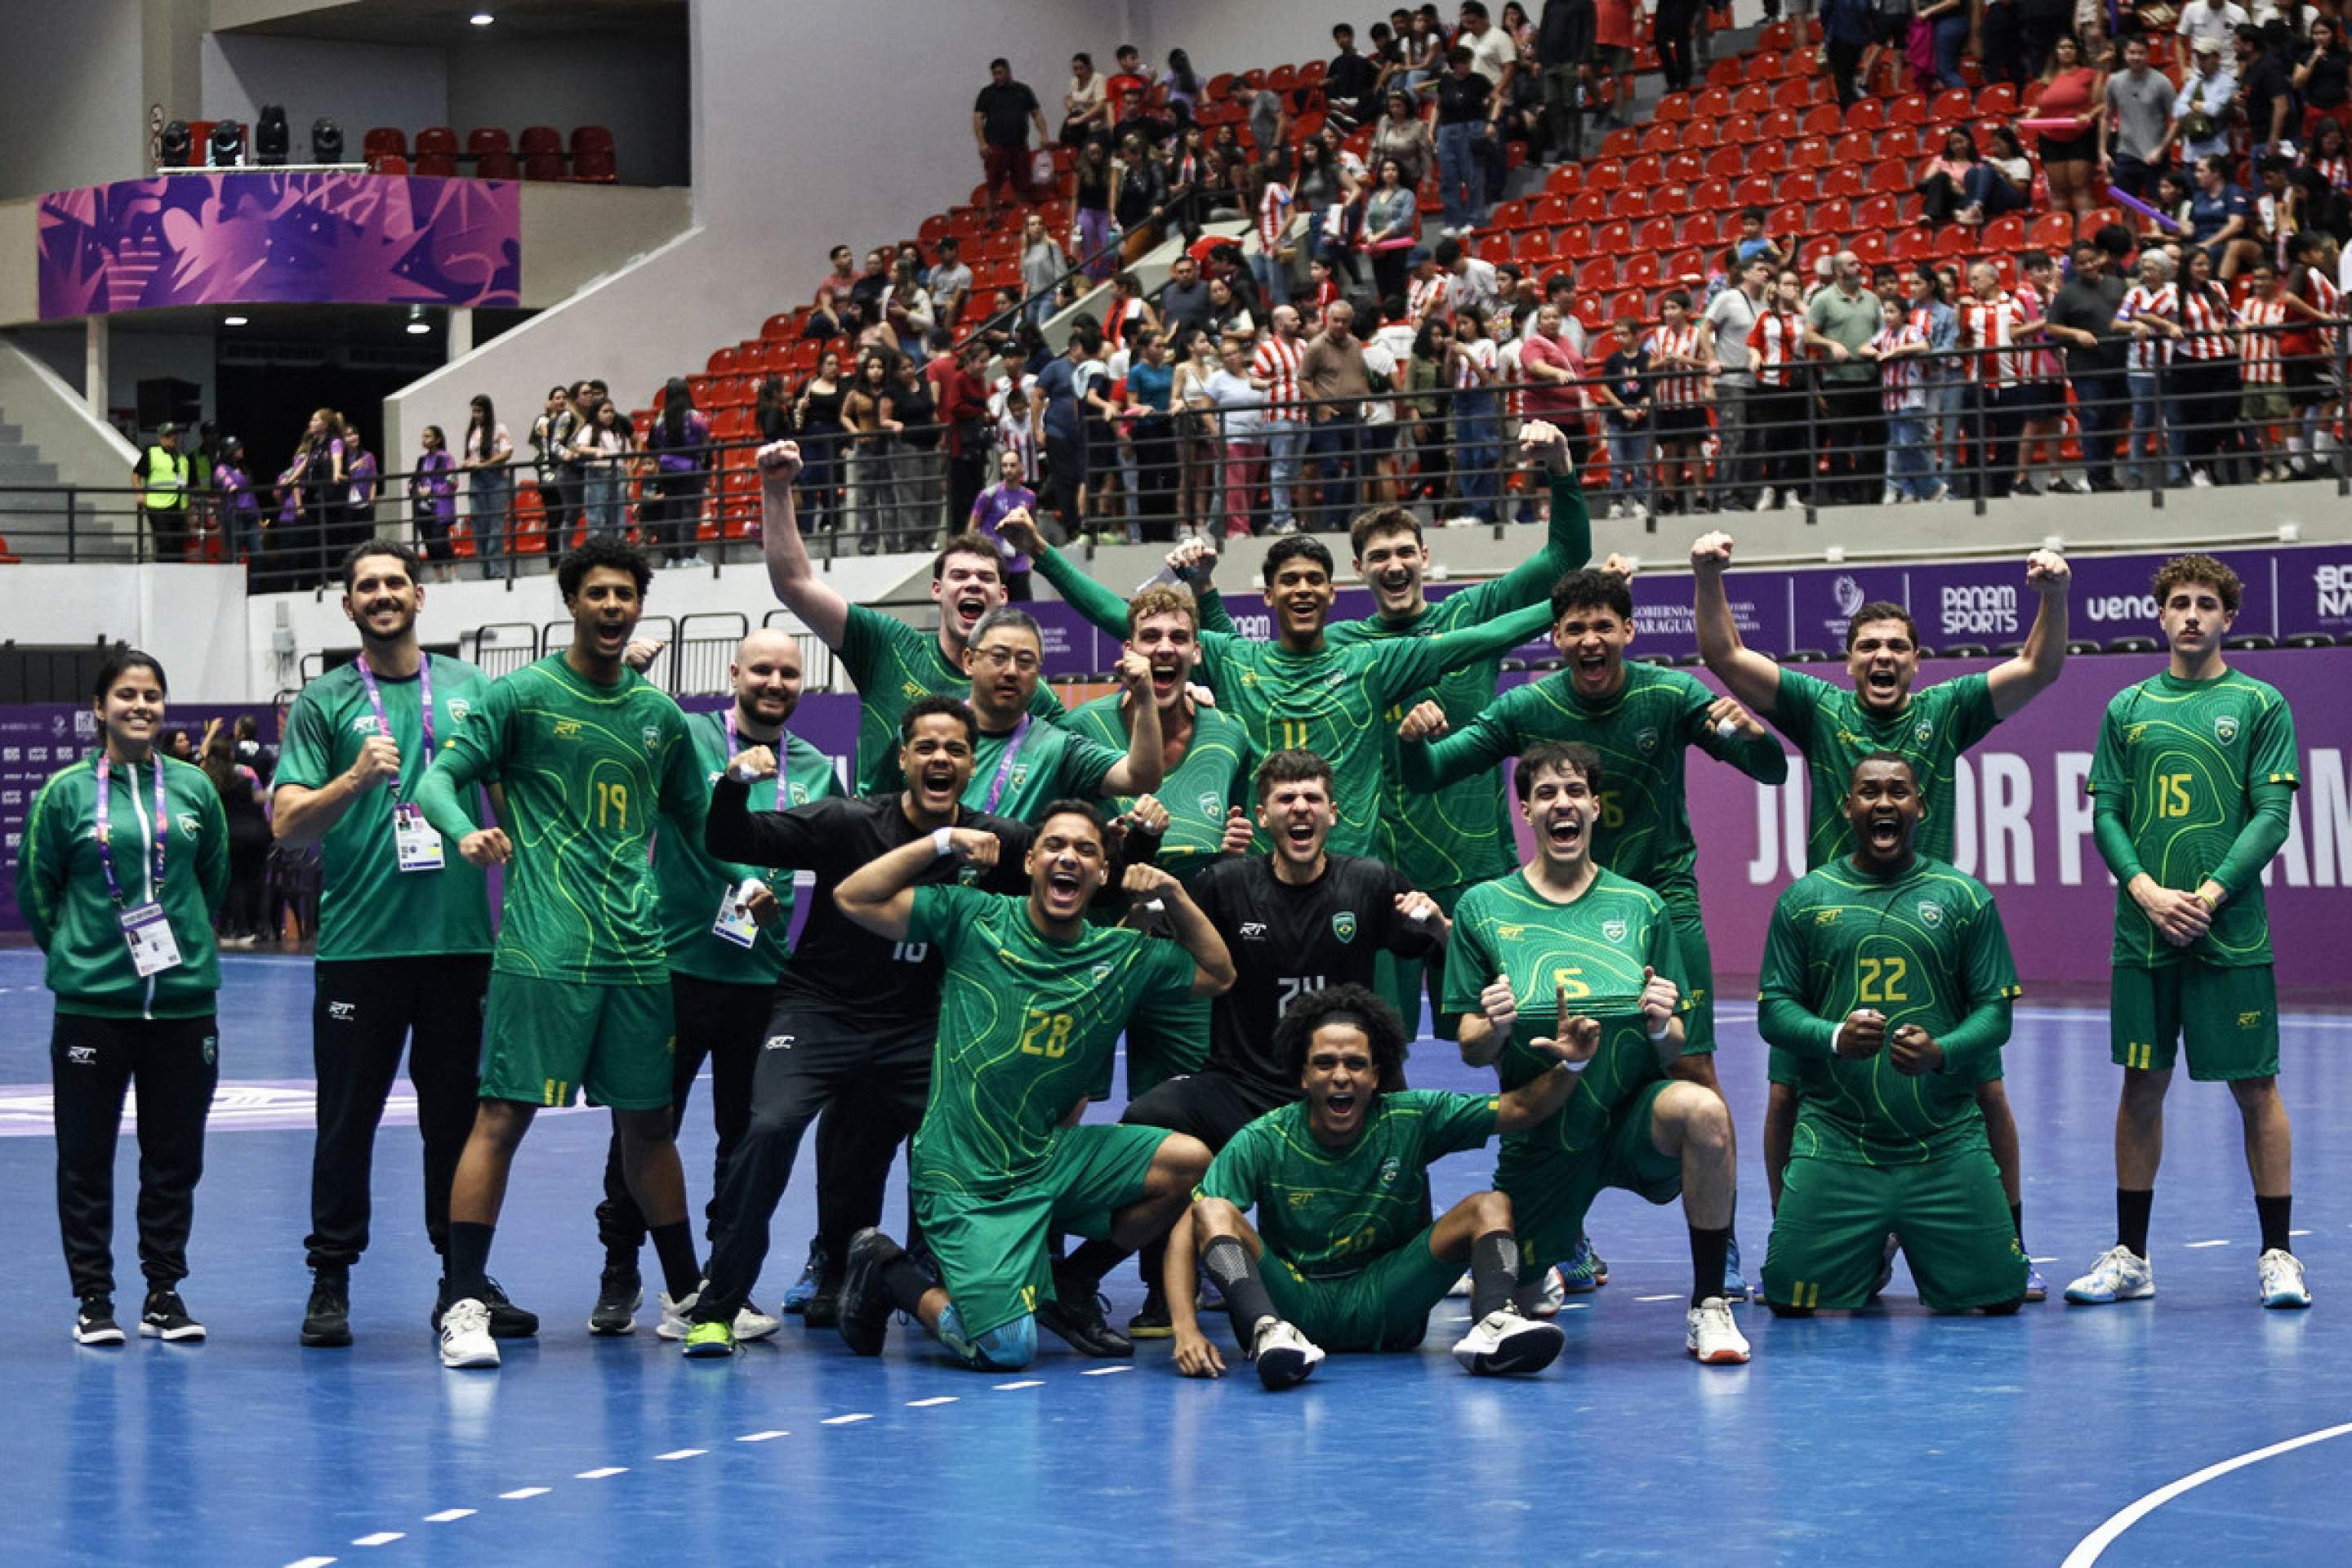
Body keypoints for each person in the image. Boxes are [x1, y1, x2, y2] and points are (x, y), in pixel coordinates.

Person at [1692, 533, 2074, 1299]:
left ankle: (2011, 1239)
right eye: (1868, 646)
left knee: (1983, 1093)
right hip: (1831, 947)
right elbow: (1726, 656)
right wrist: (1706, 575)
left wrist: (2053, 596)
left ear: (1917, 661)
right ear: (1848, 662)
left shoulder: (1949, 709)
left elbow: (2039, 666)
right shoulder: (1817, 708)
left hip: (1936, 946)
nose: (1883, 658)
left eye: (1897, 646)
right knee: (1787, 1095)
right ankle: (1795, 1234)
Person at [1400, 564, 1783, 1293]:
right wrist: (1415, 740)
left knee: (1690, 1066)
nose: (1589, 639)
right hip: (1549, 910)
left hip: (1657, 901)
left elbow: (1769, 771)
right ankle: (1567, 1231)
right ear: (1556, 638)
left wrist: (1752, 734)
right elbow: (1430, 773)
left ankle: (1720, 1243)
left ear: (1629, 632)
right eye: (1574, 627)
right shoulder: (1529, 707)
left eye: (1603, 625)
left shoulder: (1670, 694)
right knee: (1546, 1055)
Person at [1003, 424, 1579, 875]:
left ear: (1333, 591)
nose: (1302, 590)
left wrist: (1581, 605)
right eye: (1290, 581)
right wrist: (1042, 553)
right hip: (1260, 878)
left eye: (1313, 581)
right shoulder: (1245, 657)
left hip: (1374, 870)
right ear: (1270, 594)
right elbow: (1127, 618)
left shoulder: (1369, 659)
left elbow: (1484, 637)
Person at [411, 539, 712, 1370]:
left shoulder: (661, 719)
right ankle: (463, 1303)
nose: (613, 606)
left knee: (649, 1128)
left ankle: (688, 1298)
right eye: (598, 593)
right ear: (573, 602)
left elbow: (702, 829)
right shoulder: (522, 696)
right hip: (543, 949)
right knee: (501, 1118)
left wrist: (755, 874)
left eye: (626, 594)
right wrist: (465, 828)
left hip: (637, 955)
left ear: (640, 608)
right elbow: (438, 779)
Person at [826, 802, 1234, 1371]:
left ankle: (1071, 1282)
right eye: (1055, 846)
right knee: (1007, 1348)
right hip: (963, 1178)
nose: (1068, 857)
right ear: (1030, 862)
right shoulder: (974, 917)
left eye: (1087, 850)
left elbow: (1219, 974)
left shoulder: (1119, 956)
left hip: (1043, 1160)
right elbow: (854, 896)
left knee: (1188, 1160)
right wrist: (942, 841)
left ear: (1102, 875)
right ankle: (890, 1270)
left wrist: (1174, 892)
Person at [269, 543, 519, 1346]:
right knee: (347, 1122)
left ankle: (464, 1285)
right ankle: (330, 1280)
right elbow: (286, 824)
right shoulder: (324, 701)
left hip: (458, 950)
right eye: (365, 587)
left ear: (419, 594)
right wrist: (351, 780)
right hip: (360, 952)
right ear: (348, 606)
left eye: (393, 583)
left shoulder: (472, 689)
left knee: (456, 1125)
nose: (382, 596)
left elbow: (510, 800)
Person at [1111, 749, 1448, 1333]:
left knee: (1402, 1116)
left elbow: (1432, 942)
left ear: (1333, 814)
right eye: (1286, 800)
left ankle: (1407, 1267)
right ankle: (1160, 1291)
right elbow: (1146, 924)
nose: (1300, 809)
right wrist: (1135, 874)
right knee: (1148, 1115)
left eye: (1312, 798)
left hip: (1335, 1086)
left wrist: (1432, 919)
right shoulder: (1223, 883)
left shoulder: (1367, 880)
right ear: (1262, 817)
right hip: (1240, 1085)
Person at [1446, 742, 1748, 1363]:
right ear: (1525, 809)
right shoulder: (1483, 907)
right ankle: (1545, 1270)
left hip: (1634, 1118)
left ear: (1594, 807)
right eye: (1548, 794)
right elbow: (1472, 1048)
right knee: (1520, 1303)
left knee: (1708, 1113)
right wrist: (1496, 1025)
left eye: (1576, 791)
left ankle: (1710, 1305)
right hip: (1543, 1131)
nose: (1564, 804)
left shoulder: (1641, 906)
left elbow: (1676, 1044)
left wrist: (1664, 1024)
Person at [582, 630, 843, 1342]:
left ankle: (722, 1283)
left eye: (789, 672)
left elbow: (841, 859)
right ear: (735, 674)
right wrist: (626, 675)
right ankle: (621, 1269)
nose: (775, 682)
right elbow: (652, 778)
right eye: (762, 669)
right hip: (672, 966)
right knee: (643, 1123)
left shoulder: (818, 769)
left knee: (741, 1136)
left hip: (763, 978)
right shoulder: (688, 736)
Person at [2065, 555, 2307, 1311]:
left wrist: (2203, 895)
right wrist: (2145, 891)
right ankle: (2131, 1258)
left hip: (2229, 932)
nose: (2193, 614)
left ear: (2228, 618)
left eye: (2207, 603)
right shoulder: (2126, 708)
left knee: (2255, 1087)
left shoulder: (2261, 704)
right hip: (2143, 934)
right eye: (2180, 602)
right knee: (2141, 1084)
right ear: (2161, 616)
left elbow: (2271, 815)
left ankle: (2279, 1257)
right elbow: (2106, 813)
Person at [1168, 982, 1598, 1387]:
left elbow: (1521, 1108)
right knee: (1210, 1209)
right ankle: (1266, 1332)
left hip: (1390, 1300)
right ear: (1303, 1076)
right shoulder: (1264, 1139)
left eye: (1356, 1064)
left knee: (1491, 1204)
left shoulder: (1413, 1117)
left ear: (1377, 1075)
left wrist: (1573, 1063)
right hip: (1295, 1306)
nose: (1341, 1076)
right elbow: (1190, 1228)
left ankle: (1494, 1324)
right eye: (1325, 1063)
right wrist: (1185, 1330)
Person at [1757, 755, 2030, 1316]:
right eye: (1870, 792)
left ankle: (1993, 1238)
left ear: (1920, 807)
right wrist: (1833, 1036)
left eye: (1899, 792)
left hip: (1944, 1141)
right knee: (1790, 1298)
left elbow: (1996, 1014)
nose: (1885, 802)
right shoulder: (1803, 900)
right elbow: (1774, 1011)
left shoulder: (1965, 897)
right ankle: (1849, 1243)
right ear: (1848, 806)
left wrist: (1941, 1052)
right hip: (1838, 1142)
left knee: (2000, 1298)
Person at [16, 649, 227, 1346]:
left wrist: (188, 951)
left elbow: (214, 882)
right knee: (85, 1157)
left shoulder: (195, 790)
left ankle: (164, 1294)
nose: (142, 705)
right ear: (100, 709)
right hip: (92, 1008)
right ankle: (94, 1300)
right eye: (128, 695)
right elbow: (37, 890)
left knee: (175, 1157)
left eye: (154, 695)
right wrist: (80, 956)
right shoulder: (66, 793)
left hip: (183, 1005)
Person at [759, 442, 1061, 795]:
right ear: (937, 589)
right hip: (881, 843)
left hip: (976, 845)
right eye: (960, 576)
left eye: (986, 578)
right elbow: (795, 585)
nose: (973, 585)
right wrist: (777, 489)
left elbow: (1083, 761)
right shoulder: (888, 646)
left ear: (1004, 597)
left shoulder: (1026, 687)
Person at [2039, 240, 2131, 492]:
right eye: (2082, 263)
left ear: (2101, 258)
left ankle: (2106, 472)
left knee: (2113, 419)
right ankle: (2095, 476)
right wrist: (2076, 333)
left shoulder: (2117, 285)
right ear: (2075, 267)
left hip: (2118, 363)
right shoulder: (2068, 293)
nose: (2089, 266)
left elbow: (2131, 313)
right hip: (2086, 367)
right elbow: (2051, 327)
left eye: (2092, 260)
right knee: (2093, 416)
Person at [1804, 251, 1886, 504]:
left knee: (1875, 439)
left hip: (1870, 378)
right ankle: (1841, 494)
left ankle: (1873, 492)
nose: (1859, 267)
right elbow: (1808, 336)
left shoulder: (1872, 299)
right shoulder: (1824, 299)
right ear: (1839, 271)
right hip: (1838, 380)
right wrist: (1830, 345)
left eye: (1858, 262)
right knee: (1841, 439)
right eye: (1852, 264)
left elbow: (1882, 333)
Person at [642, 378, 710, 567]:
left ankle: (672, 556)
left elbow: (652, 442)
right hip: (690, 469)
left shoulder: (661, 417)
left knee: (671, 511)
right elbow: (705, 442)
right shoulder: (695, 417)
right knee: (690, 511)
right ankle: (689, 554)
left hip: (667, 469)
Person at [2105, 34, 2176, 201]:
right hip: (2126, 154)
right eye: (2132, 52)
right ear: (2125, 54)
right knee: (2126, 205)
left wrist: (2162, 150)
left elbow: (2176, 121)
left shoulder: (2162, 83)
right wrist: (2102, 151)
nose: (2136, 57)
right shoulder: (2114, 81)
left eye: (2141, 53)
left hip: (2155, 155)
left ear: (2148, 55)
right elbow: (2106, 116)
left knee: (2160, 206)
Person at [974, 58, 1049, 218]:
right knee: (993, 185)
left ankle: (1021, 217)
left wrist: (1044, 135)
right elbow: (977, 118)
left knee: (1022, 185)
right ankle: (990, 218)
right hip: (996, 146)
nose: (997, 77)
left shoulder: (1023, 91)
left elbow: (1036, 114)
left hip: (1019, 146)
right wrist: (981, 143)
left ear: (1008, 72)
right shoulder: (987, 93)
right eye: (994, 74)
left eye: (1000, 73)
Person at [132, 422, 193, 564]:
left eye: (174, 435)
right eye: (168, 435)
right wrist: (140, 493)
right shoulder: (152, 453)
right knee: (166, 545)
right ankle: (164, 578)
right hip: (158, 506)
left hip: (179, 509)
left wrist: (189, 513)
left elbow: (186, 488)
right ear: (160, 438)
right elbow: (136, 475)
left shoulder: (183, 459)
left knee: (179, 548)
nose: (173, 438)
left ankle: (176, 578)